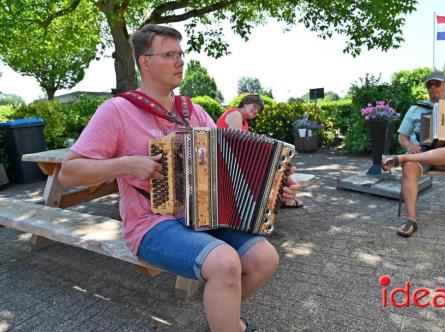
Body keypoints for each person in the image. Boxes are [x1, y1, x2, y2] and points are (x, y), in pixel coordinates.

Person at [58, 24, 301, 332]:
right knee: (224, 264)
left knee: (265, 258)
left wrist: (275, 189)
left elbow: (228, 165)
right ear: (145, 62)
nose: (180, 61)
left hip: (203, 216)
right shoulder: (117, 111)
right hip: (151, 224)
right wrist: (126, 164)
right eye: (169, 54)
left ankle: (223, 319)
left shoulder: (194, 112)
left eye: (180, 54)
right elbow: (68, 172)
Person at [383, 71, 445, 237]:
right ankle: (411, 220)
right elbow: (402, 136)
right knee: (409, 167)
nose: (432, 87)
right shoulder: (416, 109)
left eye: (436, 83)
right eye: (429, 85)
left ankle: (401, 158)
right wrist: (409, 145)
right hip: (422, 155)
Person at [216, 95, 304, 209]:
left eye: (258, 110)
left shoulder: (244, 122)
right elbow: (236, 147)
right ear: (246, 102)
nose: (256, 111)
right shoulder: (235, 114)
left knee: (281, 169)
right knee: (278, 169)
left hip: (233, 160)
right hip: (225, 161)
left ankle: (284, 197)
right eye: (255, 106)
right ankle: (285, 198)